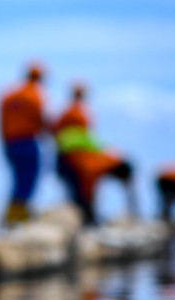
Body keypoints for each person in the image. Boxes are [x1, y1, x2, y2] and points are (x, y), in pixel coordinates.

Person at [52, 82, 136, 226]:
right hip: (71, 160)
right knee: (80, 199)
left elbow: (58, 132)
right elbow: (88, 181)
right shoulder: (78, 113)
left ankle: (84, 221)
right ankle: (85, 222)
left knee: (77, 198)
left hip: (65, 158)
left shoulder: (69, 112)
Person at [0, 62, 49, 225]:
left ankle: (13, 214)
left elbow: (1, 122)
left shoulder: (9, 95)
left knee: (18, 179)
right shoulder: (34, 95)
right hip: (27, 141)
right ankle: (17, 214)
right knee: (28, 178)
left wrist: (5, 143)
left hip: (10, 143)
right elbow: (41, 119)